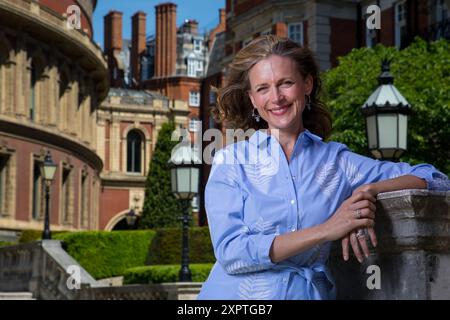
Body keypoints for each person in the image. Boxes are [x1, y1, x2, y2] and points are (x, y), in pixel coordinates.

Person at [197, 35, 449, 300]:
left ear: (307, 84)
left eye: (286, 83)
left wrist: (368, 190)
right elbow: (232, 253)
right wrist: (328, 229)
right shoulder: (231, 161)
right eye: (263, 88)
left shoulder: (338, 163)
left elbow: (434, 177)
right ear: (252, 99)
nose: (276, 98)